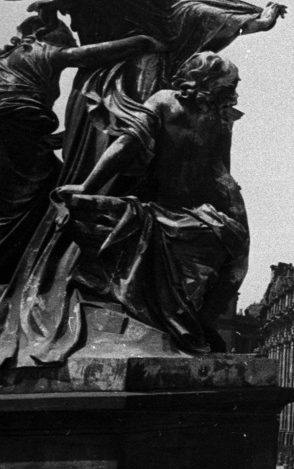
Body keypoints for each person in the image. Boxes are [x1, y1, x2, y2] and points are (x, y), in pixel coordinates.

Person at [0, 0, 285, 365]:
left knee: (109, 175)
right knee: (134, 178)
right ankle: (113, 294)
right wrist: (253, 22)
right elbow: (192, 14)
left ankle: (99, 288)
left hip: (97, 84)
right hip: (138, 78)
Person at [49, 52, 250, 354]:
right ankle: (184, 325)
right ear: (203, 80)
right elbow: (127, 144)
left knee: (236, 253)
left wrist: (234, 210)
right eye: (227, 85)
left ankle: (200, 322)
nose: (232, 92)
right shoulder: (164, 101)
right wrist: (88, 186)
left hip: (198, 210)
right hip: (160, 206)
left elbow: (221, 170)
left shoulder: (219, 118)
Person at [0, 30, 166, 286]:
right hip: (17, 131)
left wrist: (58, 137)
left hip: (18, 133)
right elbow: (86, 56)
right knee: (36, 195)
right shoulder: (39, 51)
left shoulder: (8, 59)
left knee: (22, 197)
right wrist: (141, 41)